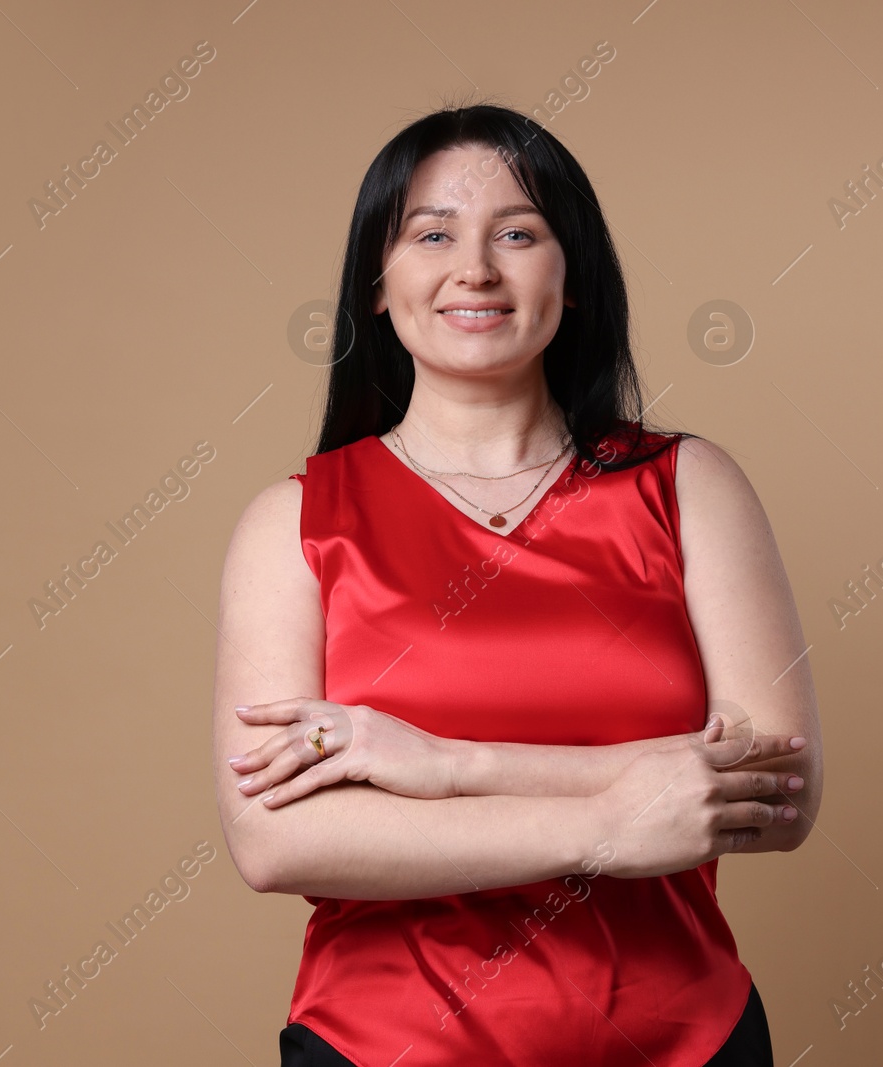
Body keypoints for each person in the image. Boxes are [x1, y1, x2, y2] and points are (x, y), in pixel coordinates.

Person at [211, 103, 822, 1067]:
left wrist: (448, 766)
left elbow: (776, 791)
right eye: (433, 234)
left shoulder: (688, 486)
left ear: (572, 276)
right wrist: (609, 824)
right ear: (378, 282)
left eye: (518, 233)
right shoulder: (294, 522)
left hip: (683, 1041)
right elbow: (275, 841)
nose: (476, 269)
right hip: (383, 1047)